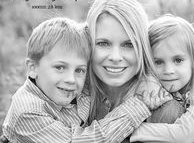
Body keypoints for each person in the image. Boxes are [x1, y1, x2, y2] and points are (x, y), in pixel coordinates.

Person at [1, 17, 169, 143]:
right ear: (32, 68)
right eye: (60, 67)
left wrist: (148, 77)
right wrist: (139, 105)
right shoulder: (28, 112)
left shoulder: (65, 85)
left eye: (80, 70)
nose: (71, 79)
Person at [86, 0, 180, 143]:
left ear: (142, 47)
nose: (115, 57)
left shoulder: (164, 110)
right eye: (103, 43)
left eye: (128, 44)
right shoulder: (72, 98)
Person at [130, 14, 194, 143]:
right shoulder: (157, 84)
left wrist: (131, 131)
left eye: (178, 60)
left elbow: (184, 134)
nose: (168, 71)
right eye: (158, 62)